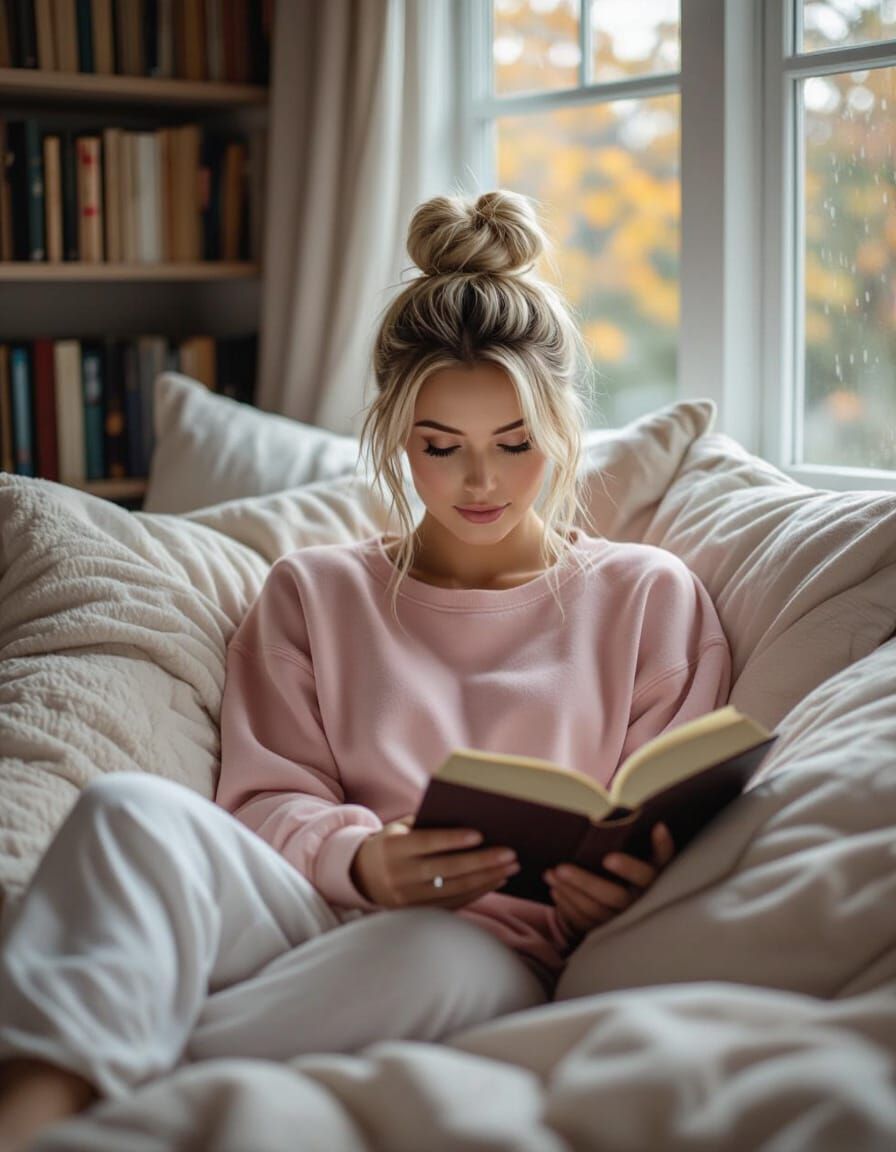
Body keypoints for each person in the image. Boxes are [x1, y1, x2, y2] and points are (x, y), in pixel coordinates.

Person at [0, 189, 731, 1151]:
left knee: (423, 954)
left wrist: (623, 891)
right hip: (308, 902)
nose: (483, 482)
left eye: (516, 445)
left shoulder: (649, 596)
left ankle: (106, 1102)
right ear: (393, 432)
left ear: (562, 427)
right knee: (128, 811)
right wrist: (362, 856)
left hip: (484, 943)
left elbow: (671, 815)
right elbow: (262, 802)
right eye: (442, 448)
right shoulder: (313, 592)